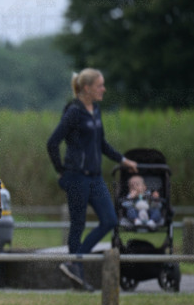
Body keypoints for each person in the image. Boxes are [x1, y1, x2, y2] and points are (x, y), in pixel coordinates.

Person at [47, 68, 138, 290]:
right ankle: (77, 273)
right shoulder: (74, 112)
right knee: (77, 225)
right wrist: (61, 171)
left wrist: (123, 160)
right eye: (100, 85)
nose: (103, 89)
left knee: (110, 220)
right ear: (87, 88)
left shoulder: (95, 110)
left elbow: (101, 144)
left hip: (95, 178)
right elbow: (52, 143)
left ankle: (74, 260)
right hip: (76, 177)